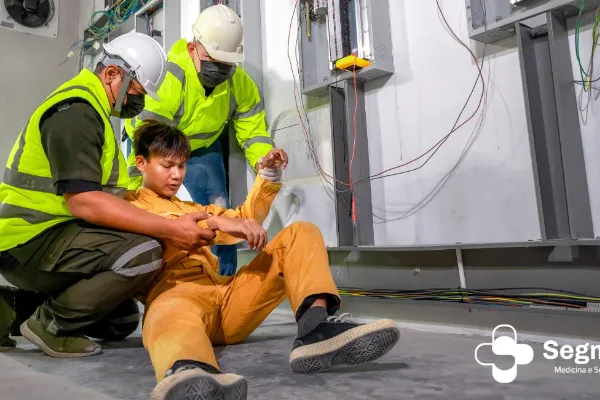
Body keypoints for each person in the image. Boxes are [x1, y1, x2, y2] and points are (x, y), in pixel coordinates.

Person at [126, 121, 400, 400]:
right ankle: (190, 371)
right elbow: (171, 224)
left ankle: (315, 328)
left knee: (300, 233)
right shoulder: (129, 207)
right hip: (176, 295)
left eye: (182, 166)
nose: (176, 175)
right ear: (141, 163)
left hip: (226, 299)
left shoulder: (192, 207)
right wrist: (219, 222)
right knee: (168, 312)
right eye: (167, 165)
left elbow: (244, 220)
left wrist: (267, 174)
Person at [0, 33, 217, 358]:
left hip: (53, 233)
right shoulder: (76, 113)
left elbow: (108, 196)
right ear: (113, 74)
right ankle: (52, 324)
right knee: (143, 253)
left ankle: (10, 309)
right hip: (29, 240)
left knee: (121, 318)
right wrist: (172, 229)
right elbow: (84, 201)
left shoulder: (96, 113)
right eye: (136, 91)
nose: (138, 102)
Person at [124, 4, 285, 276]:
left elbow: (253, 129)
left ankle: (224, 279)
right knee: (144, 209)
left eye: (226, 63)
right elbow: (148, 133)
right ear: (192, 49)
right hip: (153, 145)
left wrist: (263, 159)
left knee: (217, 209)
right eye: (213, 60)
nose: (220, 69)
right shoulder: (169, 77)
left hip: (201, 148)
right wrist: (165, 170)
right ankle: (150, 276)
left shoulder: (240, 85)